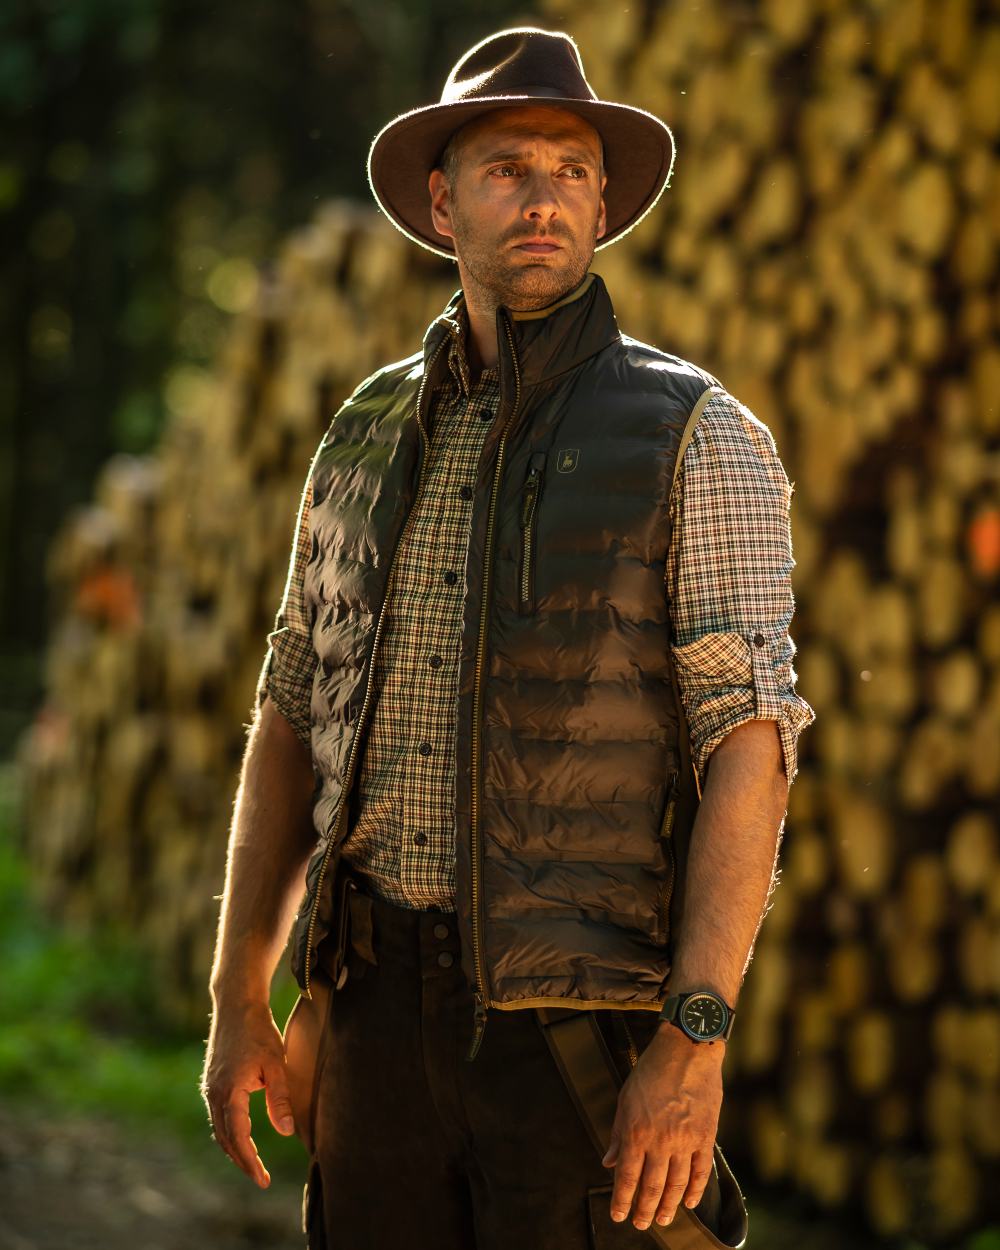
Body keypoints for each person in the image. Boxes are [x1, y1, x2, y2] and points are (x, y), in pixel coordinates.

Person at [200, 26, 816, 1250]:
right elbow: (289, 705)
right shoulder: (363, 431)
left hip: (579, 1040)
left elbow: (749, 742)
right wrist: (238, 991)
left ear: (601, 199)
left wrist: (695, 1040)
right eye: (506, 168)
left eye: (570, 168)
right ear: (441, 201)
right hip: (371, 1020)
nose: (543, 197)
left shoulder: (703, 433)